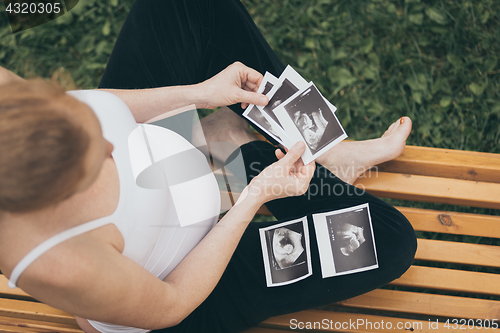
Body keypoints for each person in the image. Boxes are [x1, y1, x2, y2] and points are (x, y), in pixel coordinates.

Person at [0, 0, 417, 332]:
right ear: (52, 194)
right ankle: (239, 158)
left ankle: (324, 151)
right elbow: (173, 304)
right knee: (390, 240)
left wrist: (198, 94)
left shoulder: (8, 101)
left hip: (175, 174)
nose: (113, 142)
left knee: (182, 5)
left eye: (86, 121)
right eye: (97, 159)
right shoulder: (55, 261)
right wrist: (255, 196)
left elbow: (110, 106)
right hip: (189, 280)